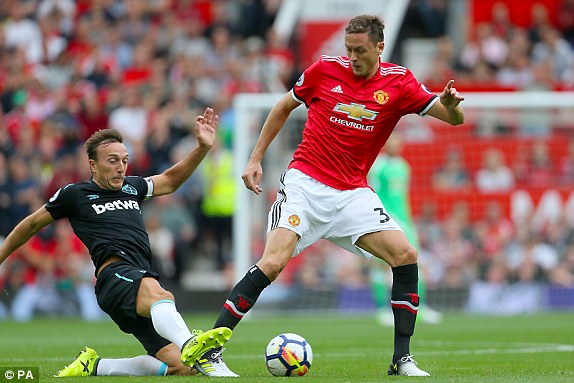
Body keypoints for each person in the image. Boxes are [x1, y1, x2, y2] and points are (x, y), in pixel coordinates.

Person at [198, 15, 464, 377]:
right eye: (349, 49)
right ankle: (210, 352)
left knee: (405, 255)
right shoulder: (324, 70)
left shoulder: (399, 82)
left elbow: (455, 120)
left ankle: (401, 359)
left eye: (360, 50)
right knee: (273, 262)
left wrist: (450, 104)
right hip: (305, 185)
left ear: (379, 47)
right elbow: (282, 107)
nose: (352, 57)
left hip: (352, 193)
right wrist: (255, 158)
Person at [0, 107, 232, 377]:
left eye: (124, 160)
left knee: (183, 366)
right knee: (161, 295)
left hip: (136, 279)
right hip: (115, 276)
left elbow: (169, 180)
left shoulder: (131, 187)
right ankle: (190, 342)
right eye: (112, 160)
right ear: (93, 164)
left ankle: (96, 366)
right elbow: (31, 224)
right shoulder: (75, 194)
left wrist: (202, 148)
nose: (121, 167)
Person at [368, 134, 443, 326]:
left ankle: (420, 306)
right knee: (381, 264)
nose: (395, 145)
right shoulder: (378, 166)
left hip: (404, 220)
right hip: (384, 219)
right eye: (391, 141)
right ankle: (382, 309)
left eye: (398, 141)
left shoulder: (404, 166)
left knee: (415, 260)